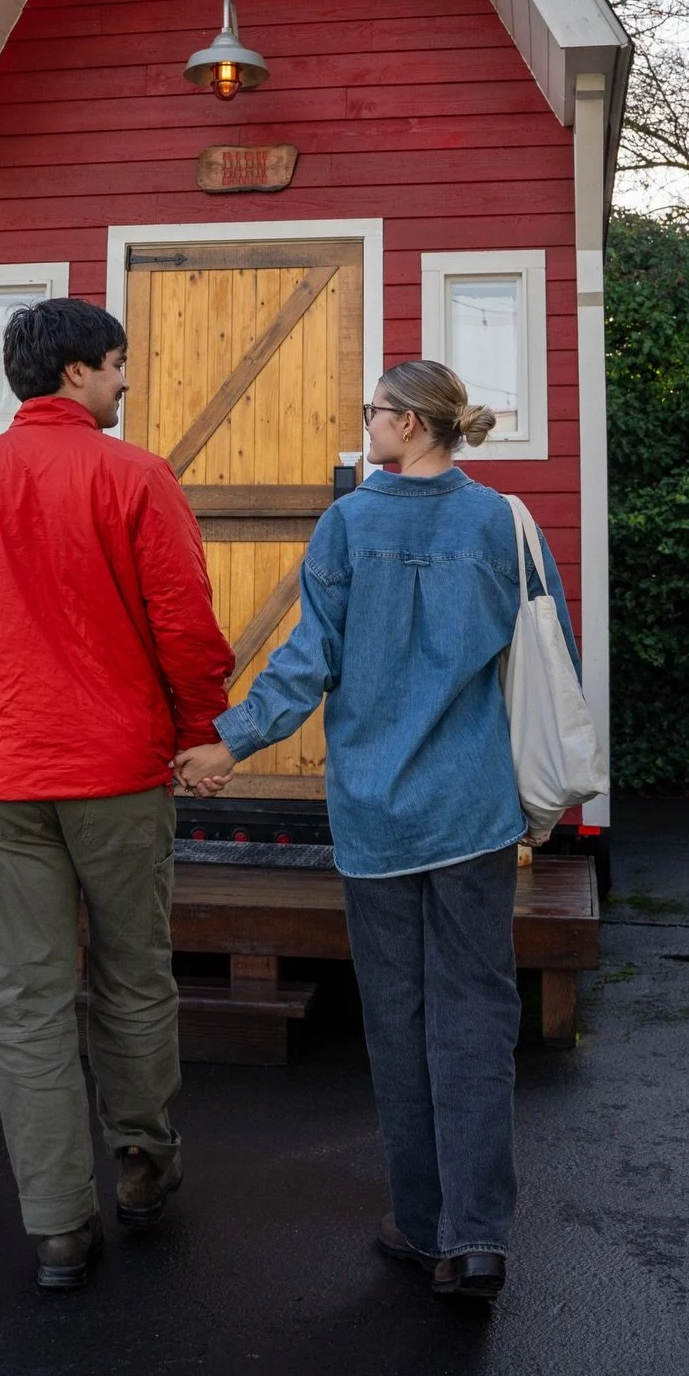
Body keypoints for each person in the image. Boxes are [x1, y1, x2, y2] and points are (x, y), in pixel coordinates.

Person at [173, 359, 578, 1303]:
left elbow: (305, 661)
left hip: (377, 818)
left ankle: (424, 1221)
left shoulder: (349, 524)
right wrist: (548, 798)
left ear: (404, 422)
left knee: (397, 1016)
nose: (365, 427)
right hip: (475, 811)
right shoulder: (503, 522)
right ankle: (477, 1238)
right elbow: (550, 657)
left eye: (371, 414)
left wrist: (225, 742)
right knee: (478, 1015)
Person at [0, 298, 234, 1291]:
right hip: (119, 771)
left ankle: (57, 1226)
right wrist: (201, 724)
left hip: (3, 772)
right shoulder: (135, 475)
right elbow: (185, 624)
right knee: (133, 971)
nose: (126, 380)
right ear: (76, 372)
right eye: (118, 363)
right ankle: (143, 1166)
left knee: (29, 996)